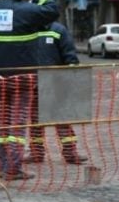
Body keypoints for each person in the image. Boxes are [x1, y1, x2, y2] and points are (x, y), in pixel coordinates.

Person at [0, 0, 59, 181]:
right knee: (18, 120)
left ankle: (3, 163)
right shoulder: (28, 10)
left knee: (3, 119)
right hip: (23, 77)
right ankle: (13, 167)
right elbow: (53, 9)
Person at [24, 21, 87, 165]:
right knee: (35, 120)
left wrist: (72, 72)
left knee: (61, 118)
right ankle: (36, 153)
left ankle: (70, 152)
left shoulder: (58, 30)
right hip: (33, 80)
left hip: (55, 80)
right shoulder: (27, 27)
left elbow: (69, 54)